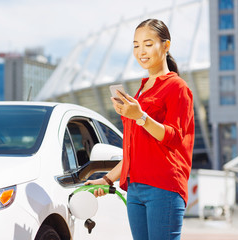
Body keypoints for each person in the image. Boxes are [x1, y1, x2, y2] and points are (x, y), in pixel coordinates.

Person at [85, 18, 195, 240]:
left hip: (164, 187)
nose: (140, 51)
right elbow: (134, 150)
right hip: (135, 189)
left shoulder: (177, 87)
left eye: (147, 44)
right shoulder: (142, 90)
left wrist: (141, 117)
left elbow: (173, 137)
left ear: (166, 45)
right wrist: (107, 179)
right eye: (136, 45)